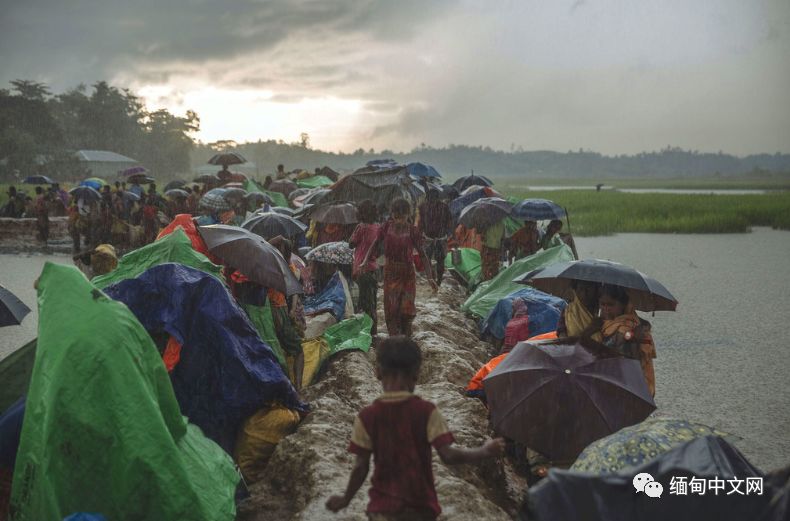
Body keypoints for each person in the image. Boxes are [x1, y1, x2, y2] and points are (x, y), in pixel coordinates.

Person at [326, 336, 505, 520]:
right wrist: (484, 451)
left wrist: (346, 499)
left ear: (378, 372)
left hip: (382, 509)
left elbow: (360, 468)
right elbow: (449, 456)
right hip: (420, 508)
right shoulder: (426, 411)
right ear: (417, 374)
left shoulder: (367, 416)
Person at [363, 198, 436, 337]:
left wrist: (430, 277)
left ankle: (407, 338)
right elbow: (375, 243)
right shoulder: (386, 227)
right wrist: (365, 260)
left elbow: (423, 254)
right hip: (390, 271)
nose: (399, 221)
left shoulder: (413, 231)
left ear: (408, 215)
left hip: (407, 272)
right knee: (392, 308)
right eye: (396, 218)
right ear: (392, 215)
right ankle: (394, 339)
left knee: (407, 309)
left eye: (402, 218)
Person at [598, 284, 657, 396]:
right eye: (602, 304)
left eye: (610, 304)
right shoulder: (602, 324)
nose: (605, 309)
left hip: (629, 385)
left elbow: (608, 349)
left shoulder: (630, 325)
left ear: (623, 305)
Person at [349, 200, 381, 335]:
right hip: (373, 268)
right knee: (372, 302)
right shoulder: (378, 227)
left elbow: (351, 244)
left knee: (363, 304)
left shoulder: (361, 227)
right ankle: (373, 331)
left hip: (362, 269)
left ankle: (369, 333)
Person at [417, 187, 453, 286]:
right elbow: (449, 221)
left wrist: (420, 234)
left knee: (428, 259)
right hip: (439, 238)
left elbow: (421, 223)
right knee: (439, 260)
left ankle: (432, 279)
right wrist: (448, 233)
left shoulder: (423, 207)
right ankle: (438, 281)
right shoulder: (444, 207)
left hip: (429, 238)